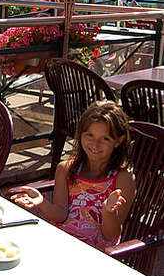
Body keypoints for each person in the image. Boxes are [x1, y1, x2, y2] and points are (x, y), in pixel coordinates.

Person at [11, 101, 136, 250]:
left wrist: (108, 212)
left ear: (118, 141)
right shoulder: (65, 169)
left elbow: (111, 235)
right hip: (60, 243)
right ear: (80, 134)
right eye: (89, 135)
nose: (95, 144)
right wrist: (42, 202)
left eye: (105, 139)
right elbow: (61, 215)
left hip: (96, 254)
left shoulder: (123, 178)